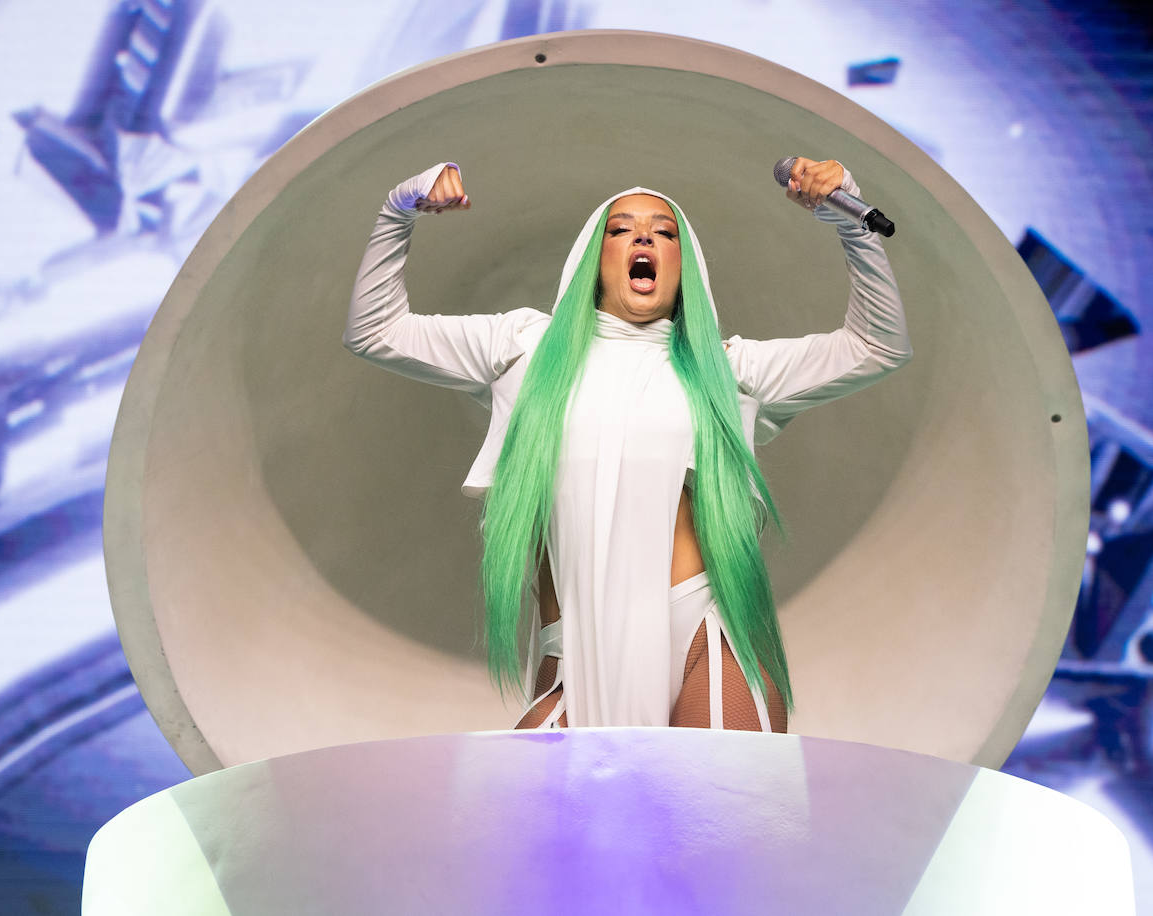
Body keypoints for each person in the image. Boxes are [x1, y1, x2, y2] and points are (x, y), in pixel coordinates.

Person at [345, 158, 910, 733]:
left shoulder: (729, 370)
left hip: (703, 641)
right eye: (621, 229)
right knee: (534, 819)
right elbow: (375, 331)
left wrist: (850, 220)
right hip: (573, 655)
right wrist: (399, 209)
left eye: (665, 232)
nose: (644, 236)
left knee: (711, 820)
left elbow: (877, 346)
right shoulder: (522, 348)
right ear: (595, 259)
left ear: (683, 266)